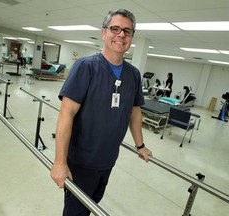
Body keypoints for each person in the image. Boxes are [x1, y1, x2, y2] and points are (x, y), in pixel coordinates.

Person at [50, 8, 152, 216]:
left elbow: (134, 112)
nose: (121, 34)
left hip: (108, 160)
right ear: (104, 32)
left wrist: (140, 145)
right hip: (81, 162)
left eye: (127, 31)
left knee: (93, 204)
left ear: (131, 37)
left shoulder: (133, 75)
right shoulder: (85, 67)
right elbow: (66, 114)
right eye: (115, 28)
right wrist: (59, 162)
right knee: (75, 212)